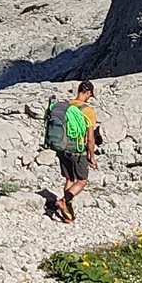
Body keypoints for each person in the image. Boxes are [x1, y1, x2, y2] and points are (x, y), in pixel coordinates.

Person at [55, 80, 97, 223]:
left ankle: (68, 214)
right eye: (90, 95)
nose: (90, 98)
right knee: (82, 180)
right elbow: (90, 139)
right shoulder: (88, 111)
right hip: (77, 150)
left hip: (62, 148)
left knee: (69, 179)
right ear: (88, 93)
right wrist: (92, 156)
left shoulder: (66, 106)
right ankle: (64, 201)